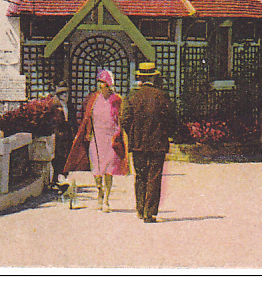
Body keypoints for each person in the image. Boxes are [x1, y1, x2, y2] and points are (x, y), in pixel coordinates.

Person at [65, 69, 129, 212]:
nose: (101, 85)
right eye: (99, 82)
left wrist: (119, 133)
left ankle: (106, 199)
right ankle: (99, 191)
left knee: (109, 169)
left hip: (111, 138)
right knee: (97, 170)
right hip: (96, 138)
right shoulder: (92, 98)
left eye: (103, 83)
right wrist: (87, 133)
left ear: (109, 84)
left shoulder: (117, 99)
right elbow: (86, 117)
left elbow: (121, 118)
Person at [119, 62, 175, 223]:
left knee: (140, 176)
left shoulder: (132, 96)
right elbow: (170, 120)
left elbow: (125, 119)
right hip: (157, 143)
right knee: (154, 176)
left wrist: (133, 132)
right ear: (154, 77)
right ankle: (149, 213)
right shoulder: (162, 96)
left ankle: (140, 209)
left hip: (137, 143)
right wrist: (166, 134)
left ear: (140, 78)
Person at [46, 84, 73, 190]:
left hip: (66, 133)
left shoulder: (68, 106)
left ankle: (62, 176)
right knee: (57, 155)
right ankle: (55, 178)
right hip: (57, 133)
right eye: (63, 93)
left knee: (65, 155)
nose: (66, 95)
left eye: (67, 93)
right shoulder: (55, 105)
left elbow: (72, 120)